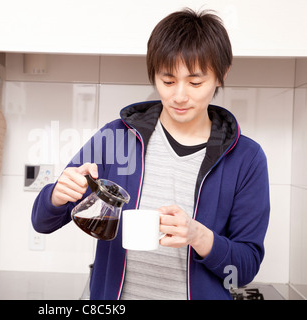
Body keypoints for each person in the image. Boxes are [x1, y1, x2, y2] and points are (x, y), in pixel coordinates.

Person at [31, 8, 270, 300]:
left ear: (221, 75)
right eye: (168, 81)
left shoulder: (246, 158)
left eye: (195, 82)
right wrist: (57, 195)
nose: (180, 95)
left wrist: (198, 236)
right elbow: (42, 222)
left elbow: (244, 268)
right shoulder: (116, 137)